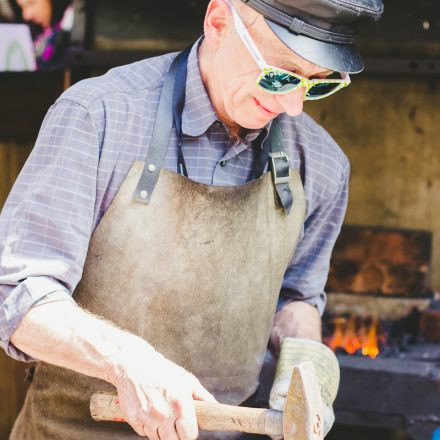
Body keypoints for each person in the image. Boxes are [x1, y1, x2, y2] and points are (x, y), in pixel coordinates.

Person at [0, 0, 383, 438]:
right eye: (279, 75)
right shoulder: (98, 117)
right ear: (219, 20)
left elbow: (295, 297)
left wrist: (304, 356)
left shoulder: (319, 163)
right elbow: (20, 295)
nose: (293, 105)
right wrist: (126, 361)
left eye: (316, 86)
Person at [9, 0, 73, 68]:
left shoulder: (70, 30)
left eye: (31, 3)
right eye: (21, 7)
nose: (26, 15)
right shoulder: (37, 35)